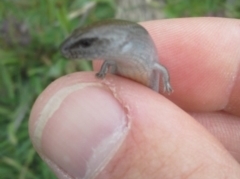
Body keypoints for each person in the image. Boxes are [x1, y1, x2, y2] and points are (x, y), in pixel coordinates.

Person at [29, 17, 240, 179]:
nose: (72, 49)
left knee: (153, 112)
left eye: (87, 44)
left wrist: (166, 83)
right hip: (129, 85)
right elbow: (111, 61)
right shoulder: (118, 54)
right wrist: (103, 71)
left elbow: (158, 69)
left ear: (117, 43)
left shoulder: (136, 53)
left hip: (147, 89)